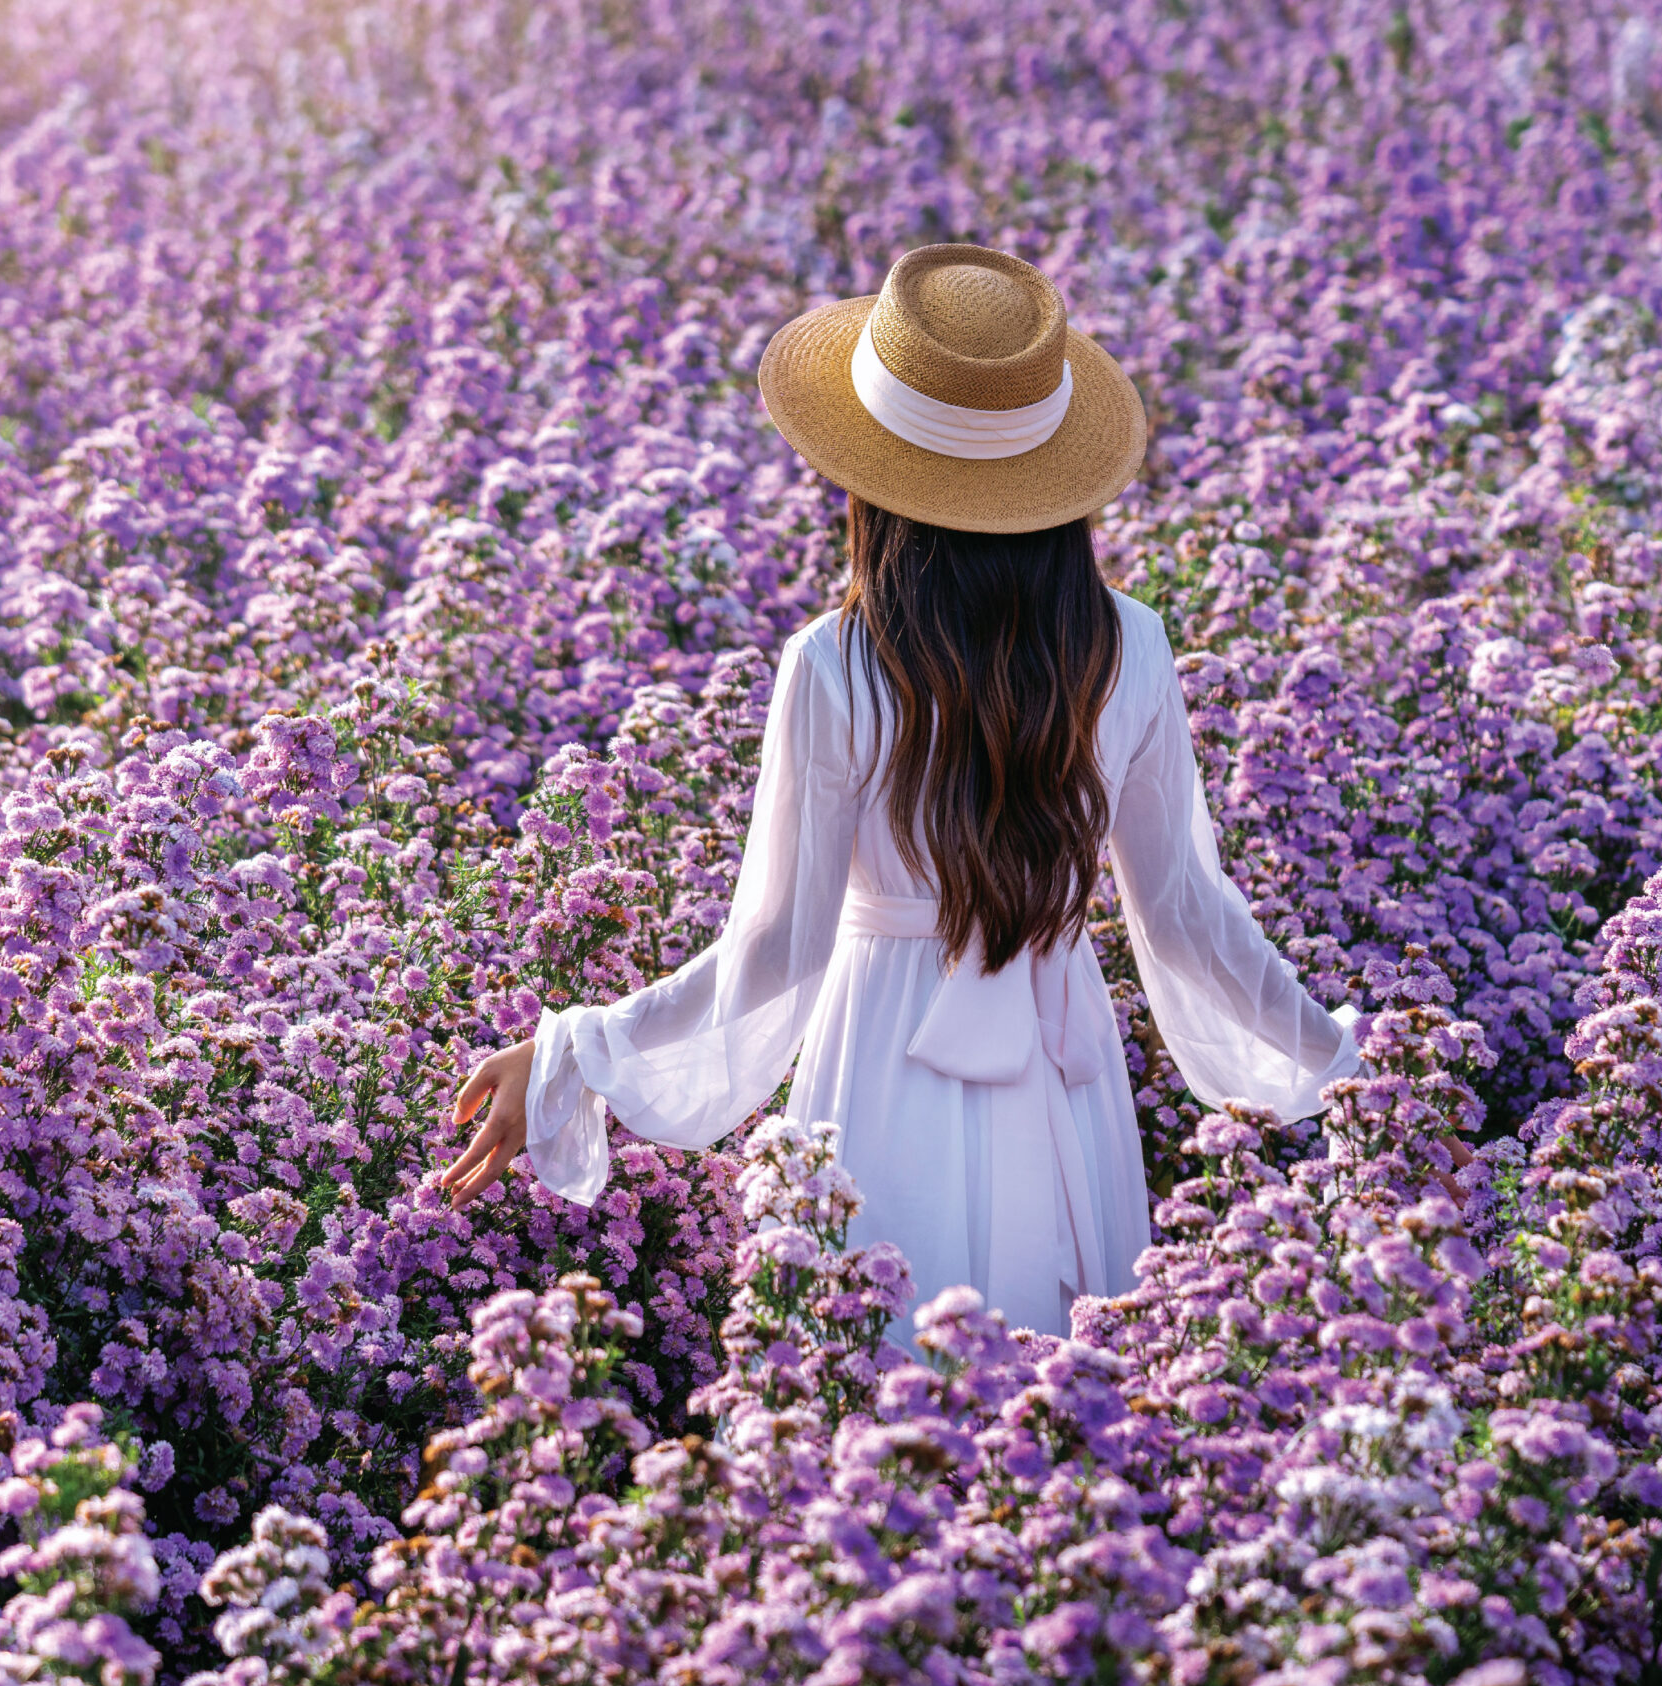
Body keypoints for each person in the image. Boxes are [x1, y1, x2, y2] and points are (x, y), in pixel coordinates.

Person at [438, 244, 1363, 1342]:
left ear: (874, 476)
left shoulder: (832, 665)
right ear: (1053, 476)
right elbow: (1188, 920)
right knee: (1066, 1417)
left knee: (863, 1402)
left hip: (879, 1065)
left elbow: (776, 948)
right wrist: (1353, 1071)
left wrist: (571, 1049)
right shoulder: (1131, 646)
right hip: (1063, 1087)